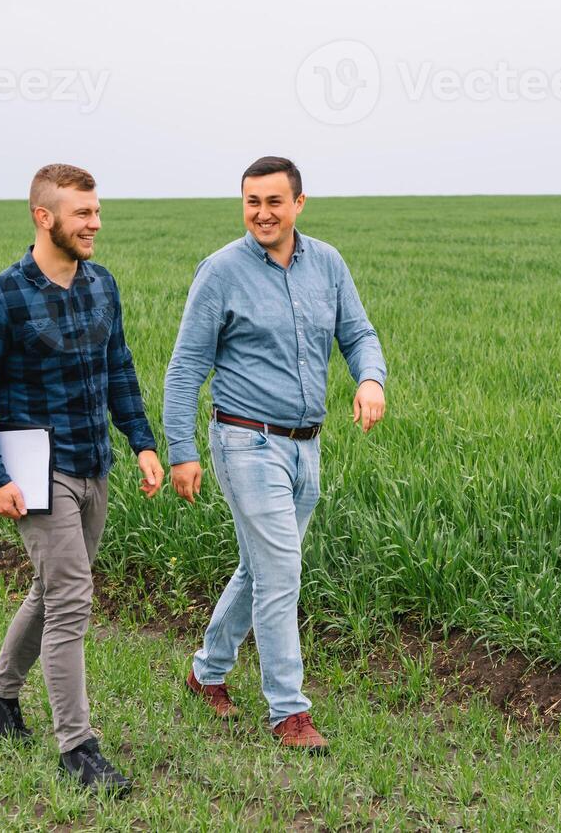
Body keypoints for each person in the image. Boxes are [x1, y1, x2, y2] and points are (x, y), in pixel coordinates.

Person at [164, 155, 387, 755]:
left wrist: (370, 380)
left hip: (306, 447)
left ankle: (206, 671)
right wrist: (182, 449)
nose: (262, 213)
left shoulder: (328, 264)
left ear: (298, 203)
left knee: (262, 567)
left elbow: (359, 334)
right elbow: (186, 366)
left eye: (274, 202)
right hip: (244, 439)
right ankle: (289, 712)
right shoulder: (221, 272)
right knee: (282, 571)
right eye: (251, 202)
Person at [0, 163, 164, 795]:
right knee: (72, 600)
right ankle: (77, 748)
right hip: (39, 475)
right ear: (44, 217)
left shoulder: (102, 286)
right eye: (82, 213)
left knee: (53, 592)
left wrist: (142, 442)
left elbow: (120, 367)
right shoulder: (1, 298)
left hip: (95, 462)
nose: (95, 223)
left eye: (97, 211)